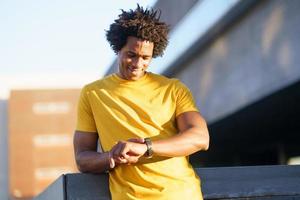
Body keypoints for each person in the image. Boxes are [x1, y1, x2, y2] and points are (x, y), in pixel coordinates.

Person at [73, 4, 209, 200]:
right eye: (131, 55)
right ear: (118, 48)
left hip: (180, 194)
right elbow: (82, 159)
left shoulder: (173, 88)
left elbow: (200, 138)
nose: (138, 64)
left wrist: (146, 147)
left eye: (146, 58)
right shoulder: (93, 93)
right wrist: (111, 156)